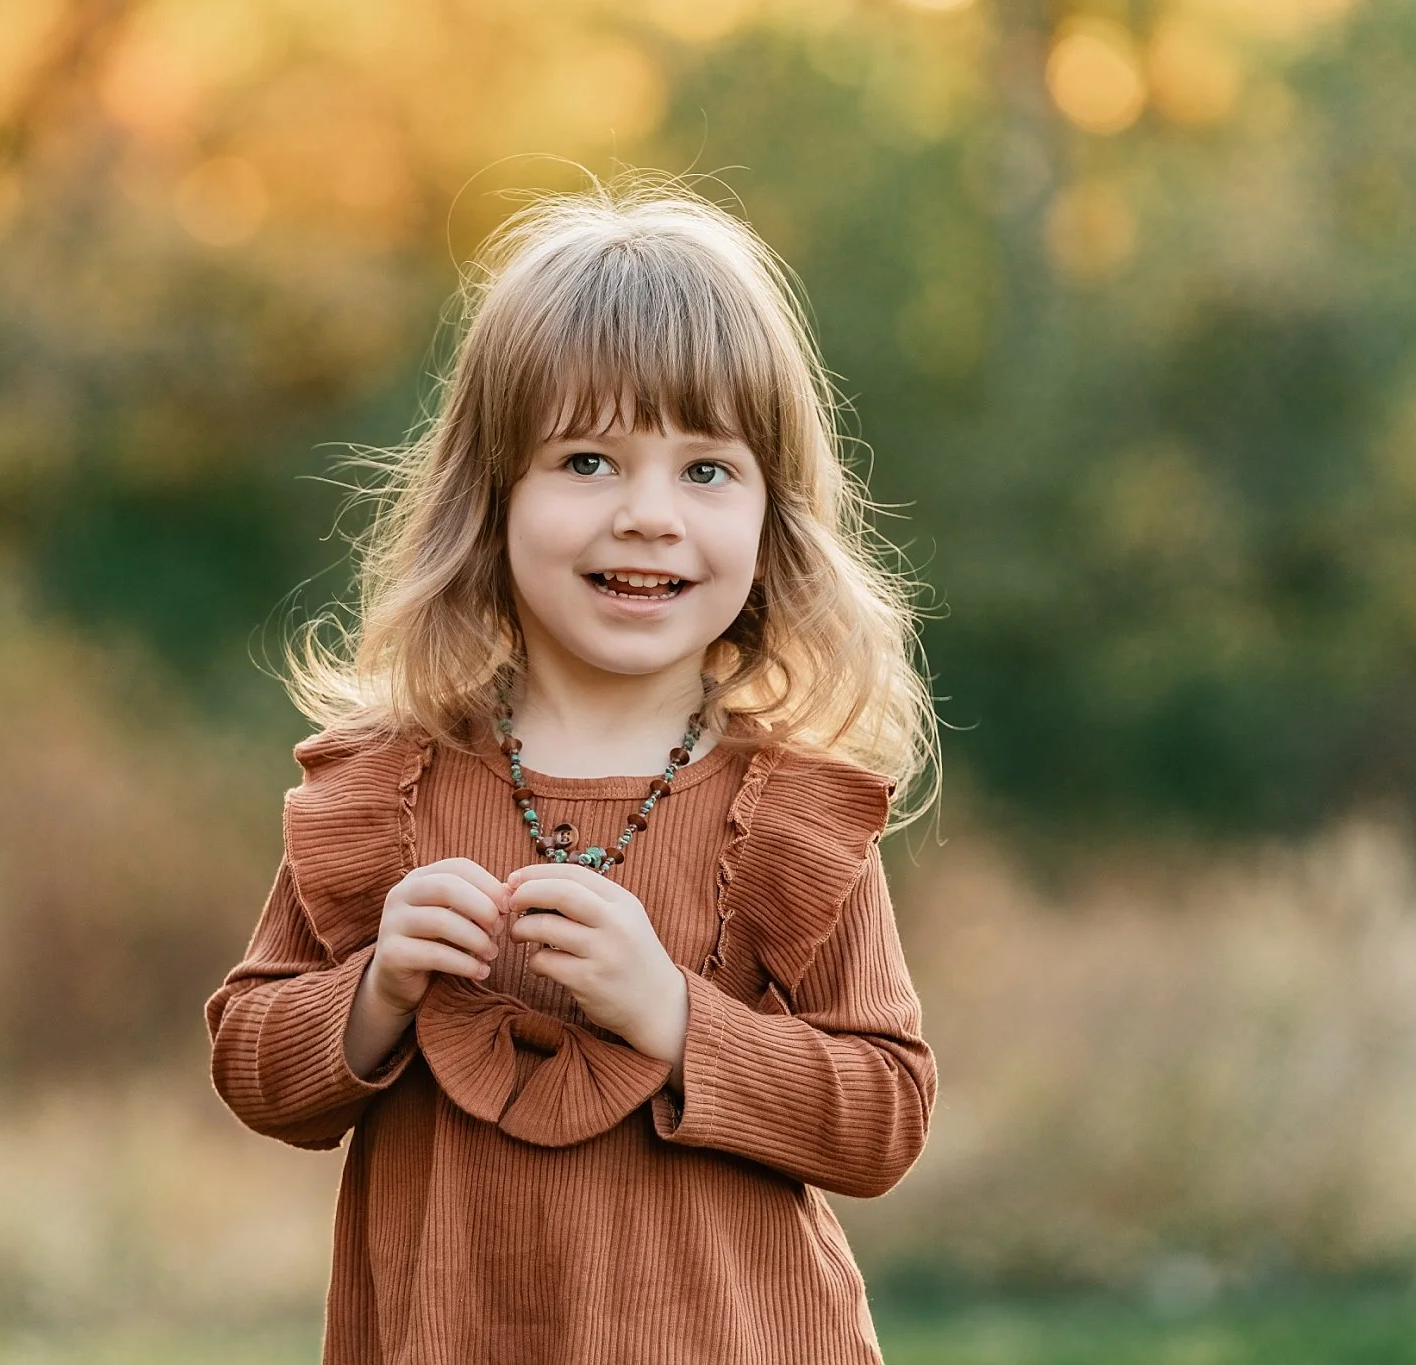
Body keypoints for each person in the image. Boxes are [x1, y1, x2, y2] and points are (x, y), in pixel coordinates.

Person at [205, 171, 942, 1364]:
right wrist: (375, 990)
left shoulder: (787, 815)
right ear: (489, 498)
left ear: (770, 524)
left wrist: (672, 1014)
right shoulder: (386, 792)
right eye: (586, 461)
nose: (648, 515)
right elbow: (251, 1062)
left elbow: (884, 1117)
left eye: (705, 470)